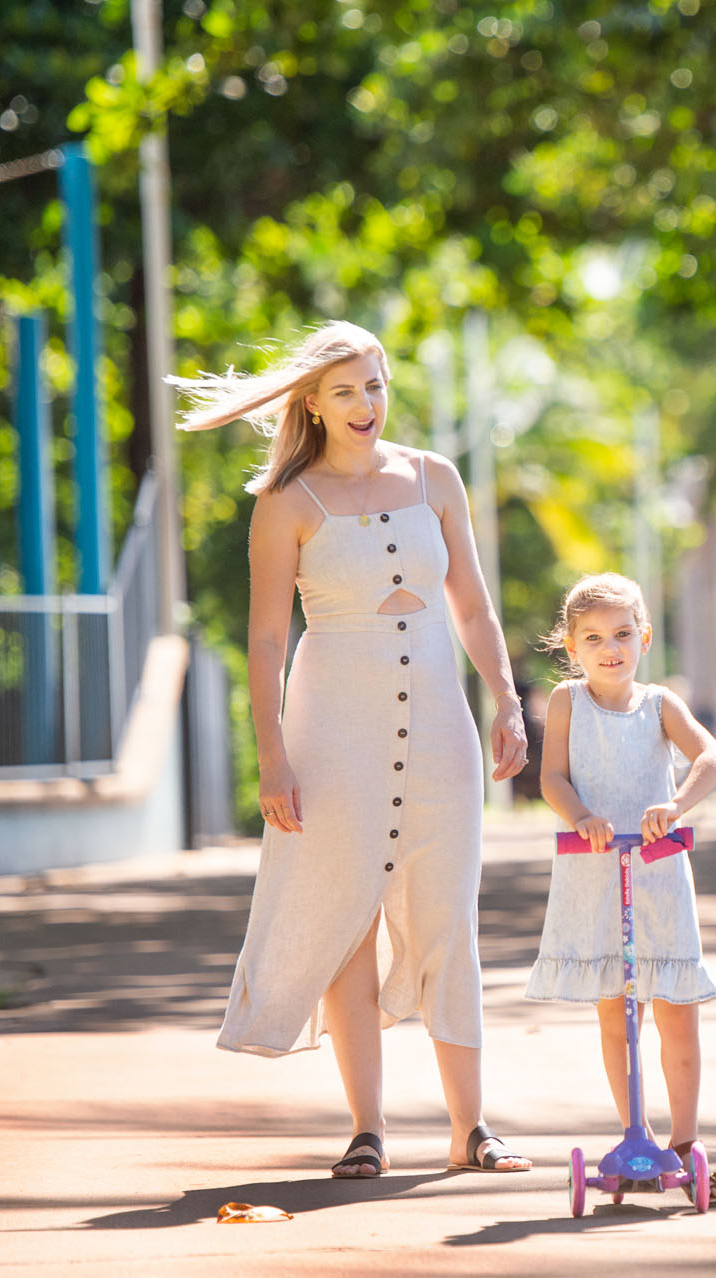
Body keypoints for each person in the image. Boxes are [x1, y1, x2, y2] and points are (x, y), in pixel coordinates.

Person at [179, 321, 532, 1178]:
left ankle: (470, 1129)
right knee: (349, 922)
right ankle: (367, 1129)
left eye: (374, 385)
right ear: (312, 403)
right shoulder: (284, 503)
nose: (367, 404)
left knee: (448, 919)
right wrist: (271, 756)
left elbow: (475, 610)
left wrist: (509, 702)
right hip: (331, 728)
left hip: (441, 728)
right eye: (346, 391)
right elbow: (266, 640)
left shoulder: (434, 478)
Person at [527, 572, 716, 1205]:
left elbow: (712, 758)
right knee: (618, 1014)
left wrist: (674, 805)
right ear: (572, 645)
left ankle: (684, 1143)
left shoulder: (660, 704)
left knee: (676, 1012)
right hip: (595, 868)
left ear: (643, 636)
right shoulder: (566, 702)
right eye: (593, 638)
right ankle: (633, 1133)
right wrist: (581, 815)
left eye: (622, 634)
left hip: (658, 870)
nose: (610, 648)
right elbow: (553, 778)